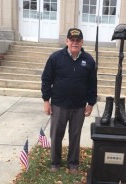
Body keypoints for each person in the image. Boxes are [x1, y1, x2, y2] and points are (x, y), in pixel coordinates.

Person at [41, 28, 97, 174]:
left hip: (79, 106)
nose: (75, 43)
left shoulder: (89, 60)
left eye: (78, 40)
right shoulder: (55, 58)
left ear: (82, 42)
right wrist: (46, 100)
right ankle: (55, 163)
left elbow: (92, 84)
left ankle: (73, 164)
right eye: (72, 40)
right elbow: (46, 79)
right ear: (67, 41)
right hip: (59, 104)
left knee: (75, 136)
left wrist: (90, 103)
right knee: (56, 135)